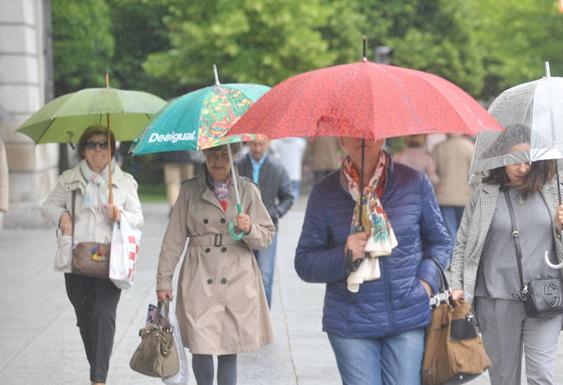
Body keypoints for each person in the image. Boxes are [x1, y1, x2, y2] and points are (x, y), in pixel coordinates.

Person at [295, 137, 452, 385]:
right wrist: (344, 253)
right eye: (353, 131)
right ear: (340, 139)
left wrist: (425, 284)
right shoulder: (325, 192)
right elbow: (304, 263)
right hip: (350, 321)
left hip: (406, 316)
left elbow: (440, 242)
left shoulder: (413, 182)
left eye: (369, 131)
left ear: (383, 135)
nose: (362, 138)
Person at [449, 124, 563, 385]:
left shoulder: (554, 191)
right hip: (497, 297)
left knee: (541, 374)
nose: (523, 168)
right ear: (501, 159)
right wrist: (457, 286)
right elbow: (463, 243)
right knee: (503, 376)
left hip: (545, 295)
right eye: (515, 161)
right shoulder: (484, 195)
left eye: (529, 160)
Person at [156, 144, 275, 385]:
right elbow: (173, 239)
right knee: (201, 345)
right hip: (200, 274)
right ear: (204, 156)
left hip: (236, 276)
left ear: (233, 156)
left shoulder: (247, 191)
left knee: (229, 347)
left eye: (223, 154)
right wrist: (163, 280)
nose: (218, 160)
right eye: (212, 154)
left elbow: (266, 237)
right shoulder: (189, 190)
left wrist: (249, 227)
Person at [41, 125, 144, 385]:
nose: (98, 150)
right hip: (77, 262)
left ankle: (98, 379)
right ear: (84, 149)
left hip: (112, 262)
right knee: (87, 321)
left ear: (112, 149)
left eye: (103, 145)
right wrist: (63, 216)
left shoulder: (124, 181)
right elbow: (48, 207)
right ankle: (98, 370)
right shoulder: (69, 179)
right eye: (92, 144)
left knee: (104, 317)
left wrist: (120, 215)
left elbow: (138, 218)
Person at [237, 136, 294, 308]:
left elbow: (288, 197)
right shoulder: (238, 166)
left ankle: (264, 318)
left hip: (267, 228)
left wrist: (275, 213)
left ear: (268, 143)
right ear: (247, 143)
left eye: (261, 144)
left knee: (265, 276)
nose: (257, 148)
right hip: (242, 228)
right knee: (242, 276)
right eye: (254, 144)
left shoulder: (277, 167)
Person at [431, 134, 475, 243]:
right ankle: (461, 259)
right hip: (466, 198)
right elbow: (477, 176)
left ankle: (451, 259)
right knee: (464, 235)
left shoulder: (439, 148)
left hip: (444, 197)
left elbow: (432, 175)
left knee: (449, 234)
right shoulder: (471, 147)